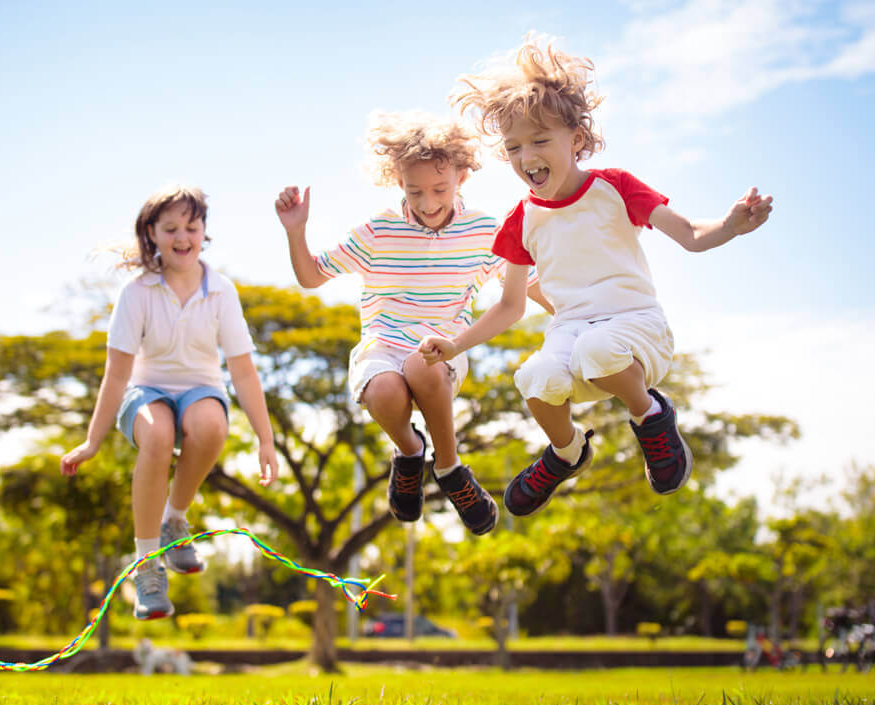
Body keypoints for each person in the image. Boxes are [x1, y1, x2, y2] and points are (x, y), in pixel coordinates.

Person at [420, 36, 773, 516]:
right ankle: (567, 452)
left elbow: (690, 234)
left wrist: (730, 226)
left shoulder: (614, 188)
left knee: (598, 348)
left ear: (577, 140)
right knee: (534, 375)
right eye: (515, 146)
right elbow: (510, 305)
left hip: (635, 329)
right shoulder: (520, 221)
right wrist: (455, 344)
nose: (527, 157)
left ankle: (651, 415)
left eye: (541, 140)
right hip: (573, 337)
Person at [274, 111, 548, 536]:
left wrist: (580, 312)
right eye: (414, 189)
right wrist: (296, 231)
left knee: (422, 364)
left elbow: (527, 288)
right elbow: (311, 276)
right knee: (384, 387)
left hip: (445, 347)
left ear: (461, 176)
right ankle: (409, 451)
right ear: (398, 181)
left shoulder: (484, 231)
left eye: (439, 188)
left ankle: (450, 466)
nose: (426, 201)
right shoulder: (378, 230)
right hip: (383, 345)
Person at [61, 185, 278, 619]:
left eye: (192, 227)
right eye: (172, 228)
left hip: (201, 388)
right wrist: (92, 442)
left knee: (211, 426)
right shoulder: (136, 292)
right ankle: (147, 567)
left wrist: (265, 440)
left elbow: (242, 372)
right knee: (158, 434)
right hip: (147, 391)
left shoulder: (221, 292)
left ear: (204, 232)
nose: (183, 237)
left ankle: (174, 518)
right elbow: (118, 373)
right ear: (152, 234)